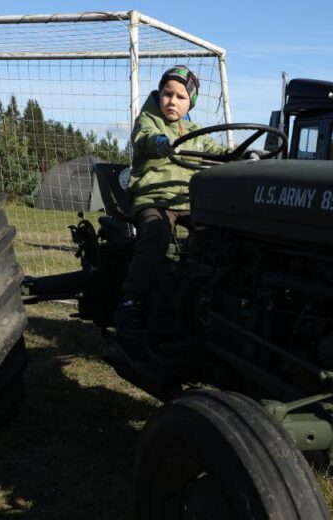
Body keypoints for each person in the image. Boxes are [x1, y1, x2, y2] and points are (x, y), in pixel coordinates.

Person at [115, 66, 228, 346]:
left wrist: (238, 155)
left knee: (216, 236)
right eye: (168, 94)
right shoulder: (148, 121)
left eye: (180, 97)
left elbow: (215, 152)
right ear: (159, 93)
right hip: (152, 198)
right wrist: (162, 144)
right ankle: (131, 301)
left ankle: (198, 293)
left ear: (190, 103)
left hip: (186, 201)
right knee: (156, 233)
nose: (172, 101)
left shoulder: (195, 131)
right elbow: (145, 140)